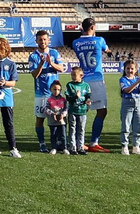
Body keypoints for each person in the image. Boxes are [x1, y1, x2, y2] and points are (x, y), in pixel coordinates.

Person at [70, 18, 111, 151]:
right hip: (96, 79)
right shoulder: (99, 40)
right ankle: (94, 142)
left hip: (82, 80)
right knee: (101, 111)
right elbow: (107, 50)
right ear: (93, 27)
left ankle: (76, 142)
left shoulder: (75, 42)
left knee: (80, 111)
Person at [27, 29, 68, 153]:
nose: (43, 41)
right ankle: (42, 143)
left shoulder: (54, 53)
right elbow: (34, 75)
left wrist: (51, 63)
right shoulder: (33, 56)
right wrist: (41, 63)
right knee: (40, 119)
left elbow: (61, 69)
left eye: (45, 39)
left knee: (59, 119)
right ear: (36, 41)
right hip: (41, 94)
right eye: (40, 39)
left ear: (48, 40)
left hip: (55, 95)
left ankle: (60, 144)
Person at [62, 65, 91, 155]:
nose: (73, 77)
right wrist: (75, 97)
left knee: (81, 129)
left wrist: (88, 102)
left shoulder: (86, 86)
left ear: (81, 75)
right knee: (72, 129)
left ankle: (81, 147)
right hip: (73, 111)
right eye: (72, 75)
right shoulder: (70, 85)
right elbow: (68, 98)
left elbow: (88, 97)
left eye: (75, 75)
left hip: (82, 111)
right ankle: (73, 147)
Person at [117, 59, 140, 155]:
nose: (130, 70)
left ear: (136, 69)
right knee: (126, 125)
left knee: (138, 125)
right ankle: (124, 146)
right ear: (124, 69)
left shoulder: (138, 79)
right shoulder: (123, 79)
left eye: (132, 68)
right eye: (128, 68)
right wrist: (138, 82)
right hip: (127, 103)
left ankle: (136, 146)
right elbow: (127, 90)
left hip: (139, 104)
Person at [44, 80, 69, 154]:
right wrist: (52, 114)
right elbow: (46, 109)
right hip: (52, 121)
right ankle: (54, 148)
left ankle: (64, 148)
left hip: (62, 121)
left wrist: (63, 114)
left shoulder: (63, 99)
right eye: (54, 89)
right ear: (50, 90)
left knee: (63, 134)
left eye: (58, 89)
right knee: (53, 134)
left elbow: (66, 108)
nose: (56, 91)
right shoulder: (49, 99)